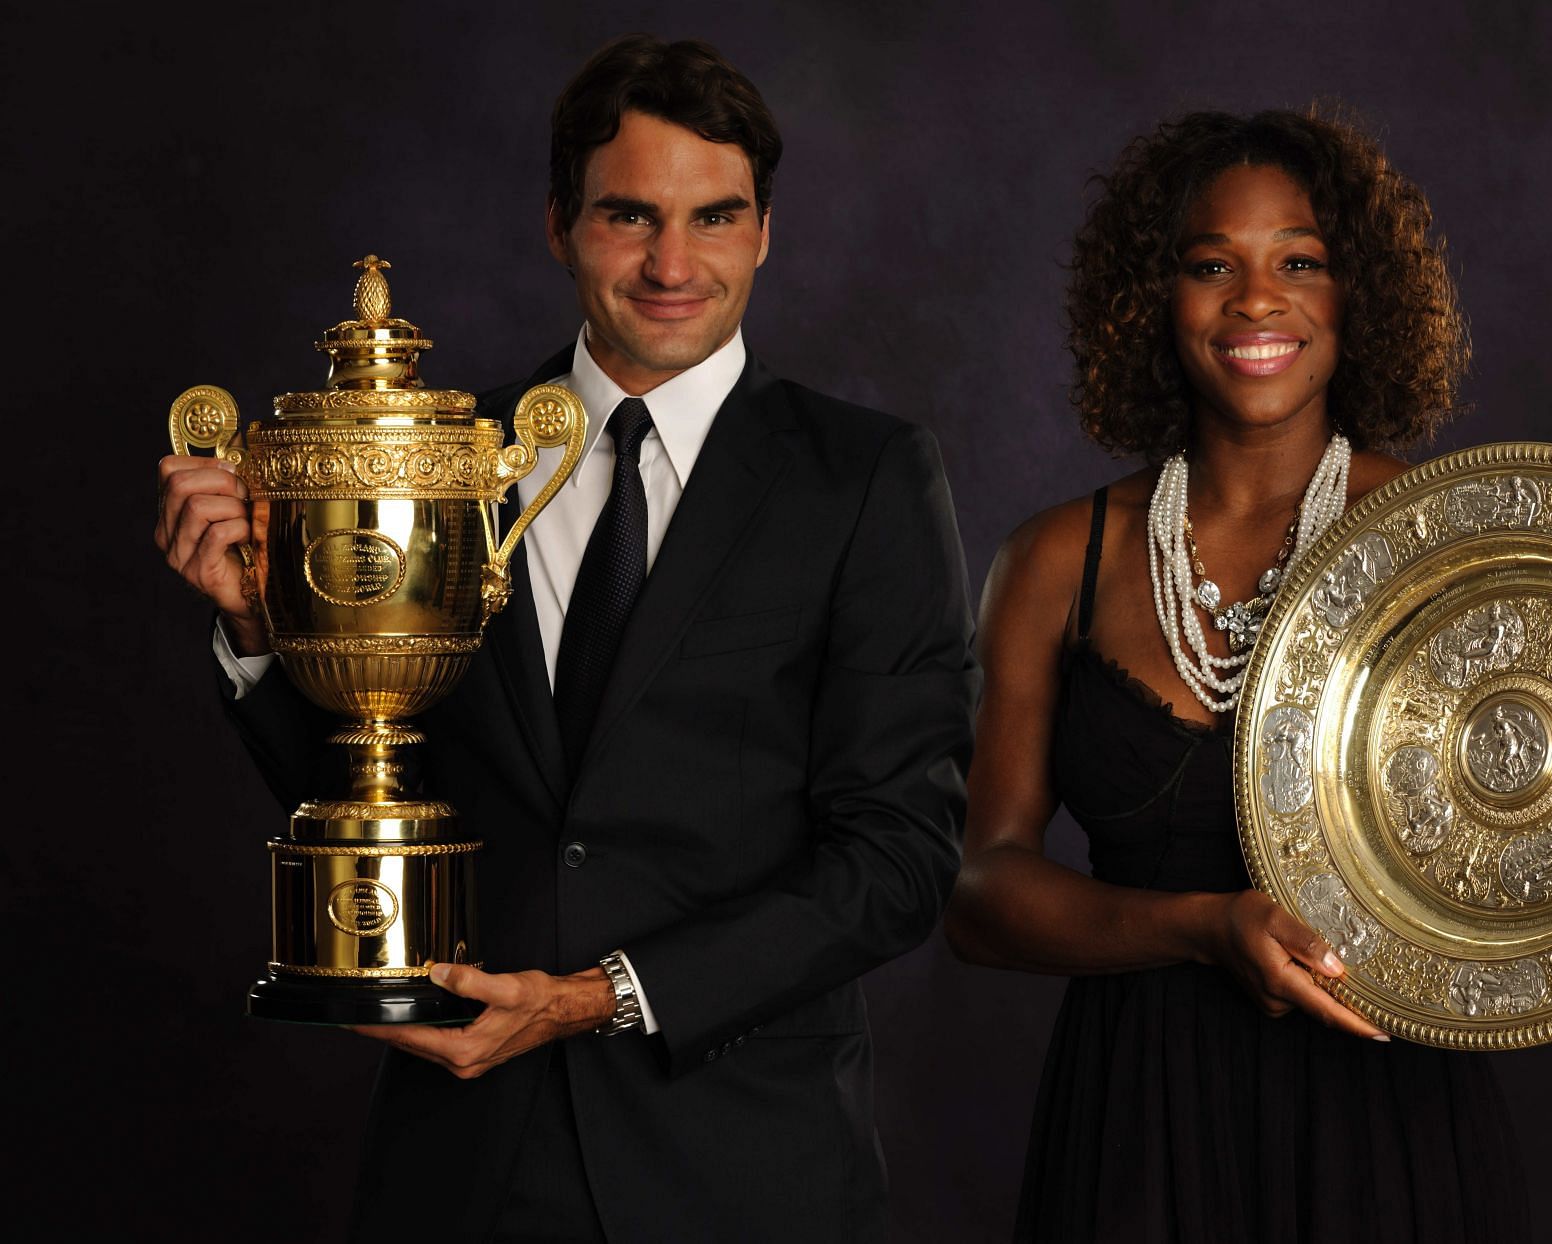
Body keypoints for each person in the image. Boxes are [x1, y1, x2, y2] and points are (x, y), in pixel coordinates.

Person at [943, 109, 1552, 1243]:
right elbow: (980, 896)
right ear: (1150, 299)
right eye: (1213, 264)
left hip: (1383, 1122)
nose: (1257, 301)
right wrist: (1203, 925)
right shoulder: (1059, 559)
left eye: (1300, 262)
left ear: (1357, 296)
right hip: (1138, 1122)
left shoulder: (1455, 543)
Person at [154, 35, 976, 1243]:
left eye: (715, 216)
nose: (672, 263)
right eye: (629, 215)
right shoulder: (438, 459)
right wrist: (264, 630)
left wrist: (595, 998)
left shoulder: (864, 478)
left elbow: (898, 856)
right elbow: (383, 793)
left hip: (746, 1169)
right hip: (468, 1162)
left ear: (764, 231)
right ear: (559, 223)